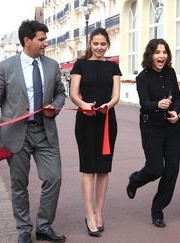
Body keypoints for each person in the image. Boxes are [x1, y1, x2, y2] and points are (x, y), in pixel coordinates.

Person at [0, 20, 66, 243]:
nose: (46, 43)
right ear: (27, 40)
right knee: (19, 185)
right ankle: (24, 229)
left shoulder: (52, 65)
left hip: (45, 133)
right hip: (15, 135)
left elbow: (61, 93)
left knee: (54, 178)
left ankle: (44, 226)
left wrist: (57, 107)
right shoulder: (6, 67)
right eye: (41, 39)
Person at [70, 27, 121, 237]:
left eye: (103, 44)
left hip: (107, 119)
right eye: (95, 43)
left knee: (103, 169)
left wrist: (108, 105)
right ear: (90, 44)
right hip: (85, 120)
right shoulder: (80, 64)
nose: (99, 47)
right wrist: (84, 105)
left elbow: (116, 96)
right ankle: (89, 214)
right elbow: (73, 94)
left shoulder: (113, 68)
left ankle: (99, 212)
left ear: (107, 45)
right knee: (88, 169)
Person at [126, 39, 180, 228]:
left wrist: (175, 111)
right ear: (150, 55)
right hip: (151, 128)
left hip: (172, 127)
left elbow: (177, 98)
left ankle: (157, 209)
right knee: (155, 169)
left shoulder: (171, 72)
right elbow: (144, 103)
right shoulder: (142, 77)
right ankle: (135, 180)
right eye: (157, 52)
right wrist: (157, 105)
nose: (162, 56)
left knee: (172, 169)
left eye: (164, 52)